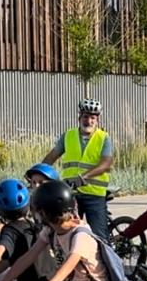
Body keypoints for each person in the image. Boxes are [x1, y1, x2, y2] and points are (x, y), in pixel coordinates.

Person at [43, 98, 114, 240]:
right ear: (79, 117)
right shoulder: (68, 136)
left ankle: (106, 261)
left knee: (98, 236)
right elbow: (51, 157)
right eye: (86, 116)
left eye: (93, 117)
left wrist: (84, 177)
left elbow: (106, 164)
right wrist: (39, 173)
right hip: (70, 193)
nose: (89, 121)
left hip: (94, 195)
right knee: (66, 231)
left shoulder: (103, 138)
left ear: (97, 120)